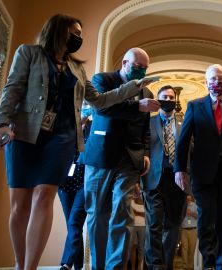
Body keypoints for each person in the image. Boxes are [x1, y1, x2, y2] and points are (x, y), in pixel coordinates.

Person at [0, 14, 151, 270]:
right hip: (24, 134)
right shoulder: (29, 53)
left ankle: (30, 266)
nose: (78, 38)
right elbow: (12, 89)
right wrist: (0, 123)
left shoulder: (77, 68)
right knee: (20, 204)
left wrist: (133, 87)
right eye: (74, 32)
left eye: (80, 33)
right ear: (58, 31)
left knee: (44, 197)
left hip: (62, 137)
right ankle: (20, 263)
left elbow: (99, 101)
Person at [81, 47, 160, 269]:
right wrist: (136, 106)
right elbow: (103, 109)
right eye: (137, 67)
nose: (141, 72)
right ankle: (98, 265)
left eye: (145, 69)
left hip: (130, 160)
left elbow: (145, 128)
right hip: (101, 155)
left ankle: (115, 266)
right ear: (125, 63)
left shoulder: (147, 94)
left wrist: (145, 153)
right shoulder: (102, 81)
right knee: (97, 214)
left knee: (122, 212)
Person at [174, 64, 222, 270]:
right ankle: (209, 261)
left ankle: (221, 264)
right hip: (202, 173)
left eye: (221, 78)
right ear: (205, 82)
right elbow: (183, 141)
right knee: (206, 218)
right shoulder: (194, 105)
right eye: (213, 78)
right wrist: (179, 169)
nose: (217, 82)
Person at [142, 84, 187, 270]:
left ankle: (166, 264)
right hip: (154, 179)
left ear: (175, 100)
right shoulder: (148, 122)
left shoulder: (184, 123)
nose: (168, 100)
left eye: (171, 97)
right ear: (158, 100)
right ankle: (155, 265)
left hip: (178, 181)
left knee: (174, 226)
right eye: (164, 97)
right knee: (154, 223)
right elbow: (143, 147)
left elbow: (191, 149)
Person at [58, 103, 92, 270]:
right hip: (65, 183)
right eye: (81, 105)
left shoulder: (92, 128)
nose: (84, 109)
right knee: (73, 225)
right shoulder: (65, 128)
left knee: (74, 222)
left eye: (87, 105)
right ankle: (78, 266)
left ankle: (66, 264)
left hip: (84, 183)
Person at [129, 183, 146, 270]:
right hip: (132, 226)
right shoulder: (130, 200)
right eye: (135, 188)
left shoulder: (144, 199)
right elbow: (131, 213)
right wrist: (141, 213)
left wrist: (137, 212)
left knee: (141, 247)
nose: (137, 189)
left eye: (138, 188)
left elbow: (146, 214)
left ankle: (140, 266)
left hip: (143, 226)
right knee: (132, 246)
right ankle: (132, 267)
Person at [181, 195, 198, 270]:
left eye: (189, 198)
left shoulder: (195, 206)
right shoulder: (182, 206)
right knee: (184, 248)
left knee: (192, 248)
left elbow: (198, 216)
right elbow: (179, 216)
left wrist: (191, 213)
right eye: (186, 198)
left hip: (193, 230)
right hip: (184, 229)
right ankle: (185, 266)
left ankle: (190, 266)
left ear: (191, 198)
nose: (188, 199)